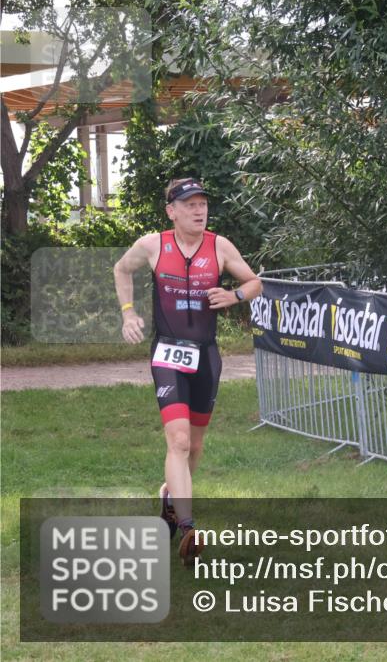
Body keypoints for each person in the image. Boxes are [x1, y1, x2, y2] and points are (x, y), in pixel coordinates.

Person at [113, 178, 262, 564]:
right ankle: (188, 528)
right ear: (172, 211)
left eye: (203, 204)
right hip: (167, 353)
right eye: (190, 204)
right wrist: (128, 314)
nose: (199, 211)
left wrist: (235, 295)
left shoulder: (219, 246)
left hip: (207, 356)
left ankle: (169, 497)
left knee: (194, 447)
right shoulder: (152, 246)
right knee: (177, 442)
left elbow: (255, 281)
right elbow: (121, 269)